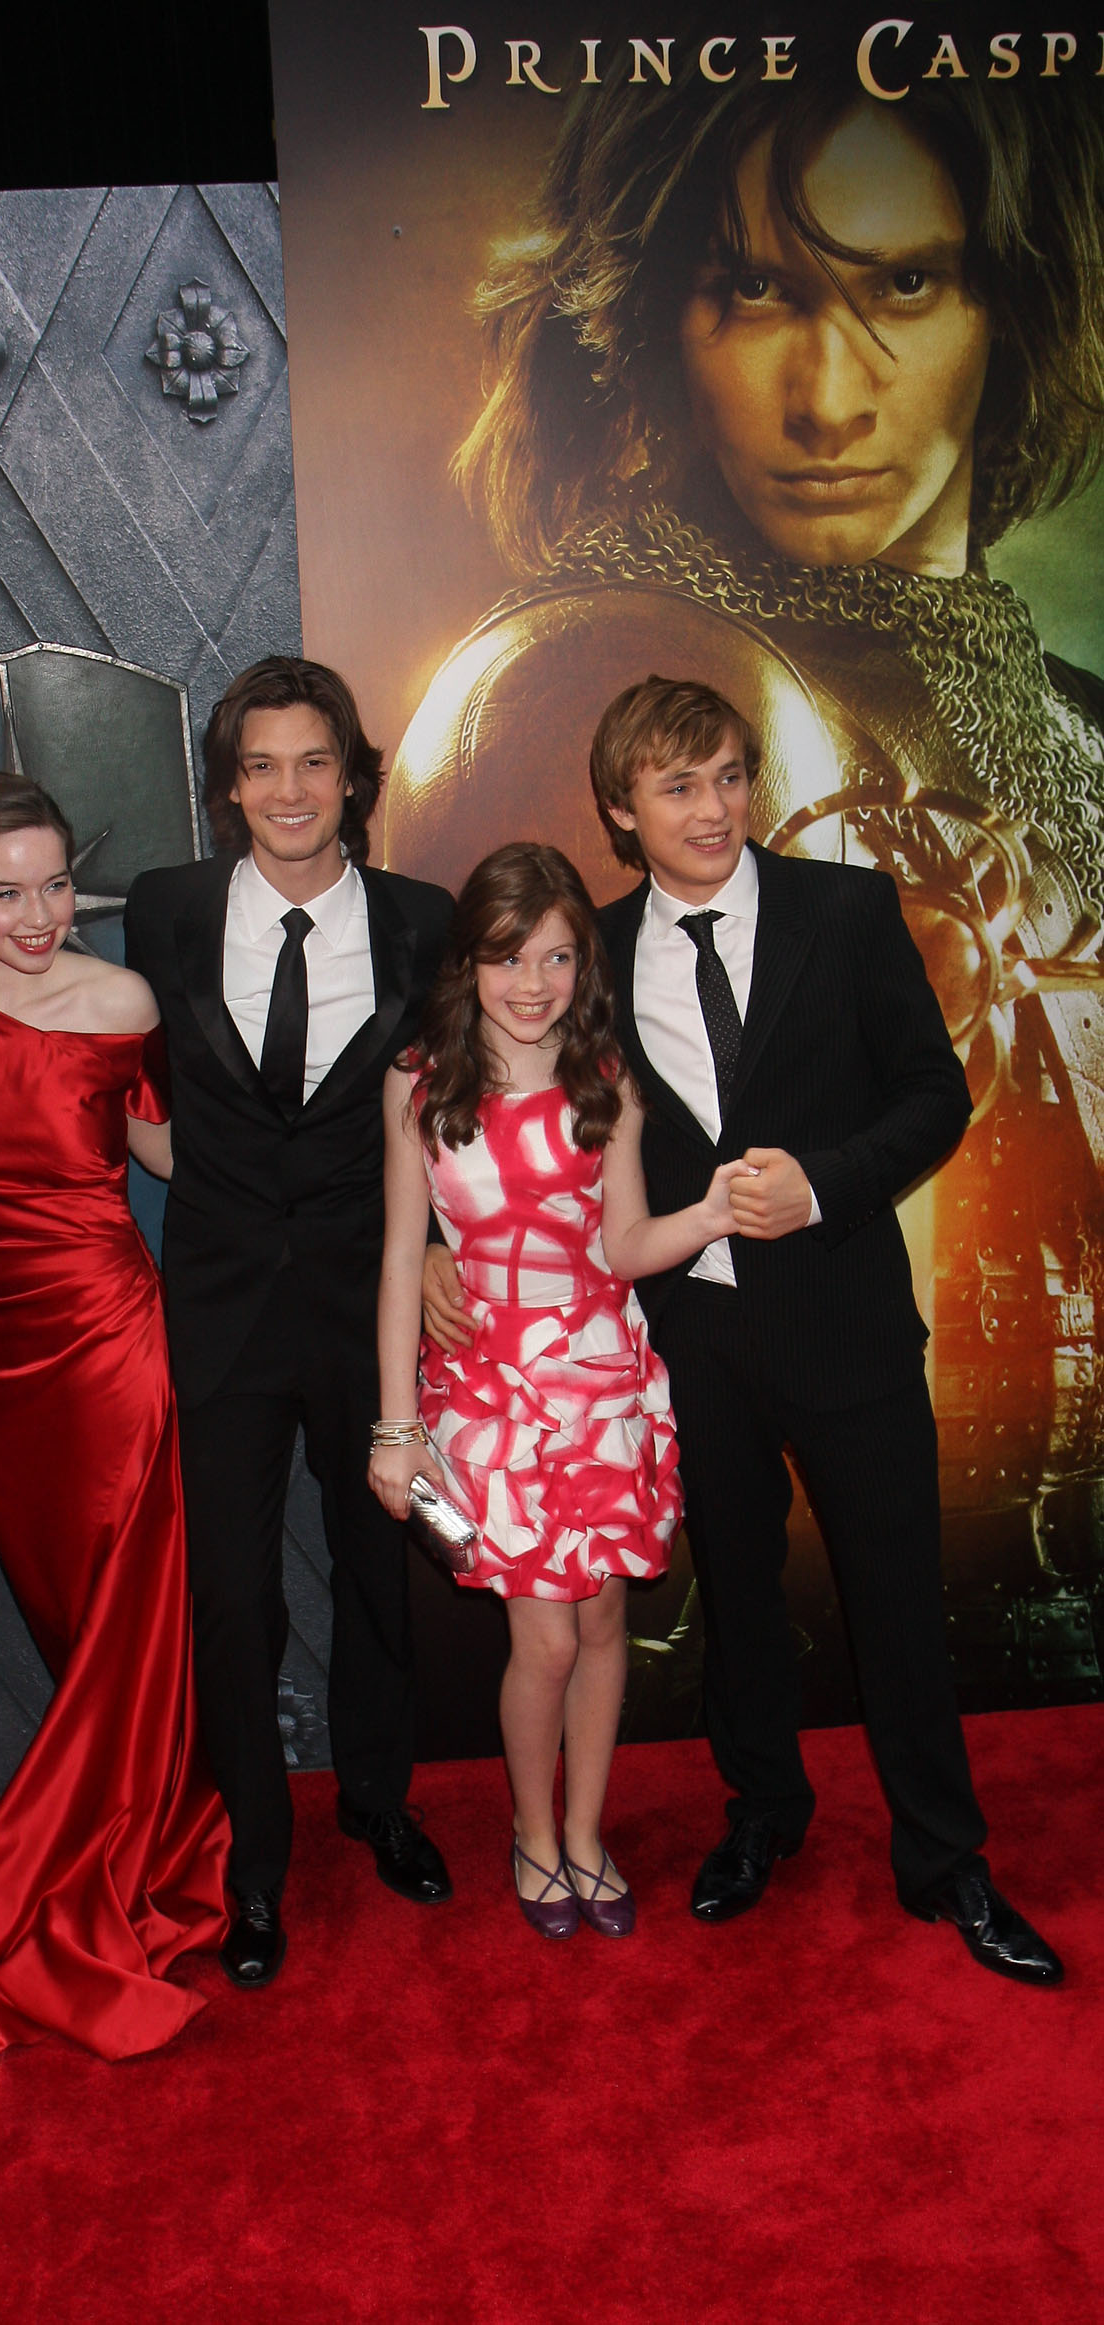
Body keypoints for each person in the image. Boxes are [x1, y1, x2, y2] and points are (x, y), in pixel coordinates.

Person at [386, 26, 1104, 1658]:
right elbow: (523, 1163)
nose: (828, 395)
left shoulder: (1066, 708)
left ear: (1007, 304)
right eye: (757, 291)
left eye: (905, 284)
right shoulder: (613, 668)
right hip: (758, 1530)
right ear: (651, 317)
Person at [425, 677, 1063, 1985]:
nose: (712, 808)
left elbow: (932, 1095)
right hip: (686, 1348)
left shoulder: (847, 910)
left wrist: (824, 1183)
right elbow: (473, 1089)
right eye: (677, 786)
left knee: (895, 1601)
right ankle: (761, 1814)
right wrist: (442, 1238)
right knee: (738, 1603)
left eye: (727, 775)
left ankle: (946, 1859)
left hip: (843, 1323)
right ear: (620, 809)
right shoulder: (588, 955)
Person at [0, 773, 229, 2063]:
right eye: (6, 892)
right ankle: (133, 1833)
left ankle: (115, 1862)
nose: (38, 917)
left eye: (56, 886)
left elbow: (170, 1155)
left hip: (114, 1346)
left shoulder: (122, 1002)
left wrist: (314, 1118)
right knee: (69, 1623)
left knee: (127, 1625)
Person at [122, 656, 455, 1989]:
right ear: (228, 788)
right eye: (260, 766)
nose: (288, 790)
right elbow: (108, 1068)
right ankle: (251, 1858)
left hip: (368, 1299)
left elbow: (463, 1100)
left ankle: (377, 1799)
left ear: (353, 779)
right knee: (231, 1591)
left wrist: (445, 1242)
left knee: (376, 1566)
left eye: (314, 761)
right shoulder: (165, 910)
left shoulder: (424, 920)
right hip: (218, 1304)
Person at [372, 842, 739, 1938]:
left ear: (585, 965)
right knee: (543, 1640)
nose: (531, 984)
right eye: (506, 957)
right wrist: (394, 1428)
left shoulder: (603, 1078)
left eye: (556, 958)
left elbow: (622, 1245)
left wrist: (708, 1214)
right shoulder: (418, 1081)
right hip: (489, 1395)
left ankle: (586, 1832)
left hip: (603, 1381)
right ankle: (532, 1833)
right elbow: (399, 1259)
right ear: (467, 962)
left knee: (603, 1621)